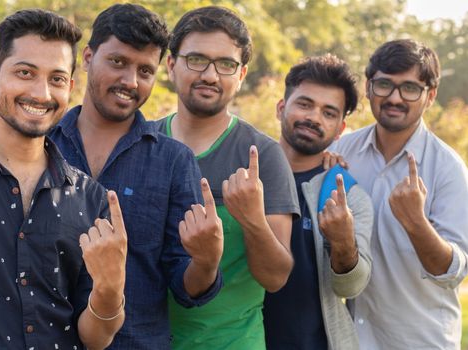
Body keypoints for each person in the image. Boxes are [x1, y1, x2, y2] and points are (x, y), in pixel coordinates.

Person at [0, 9, 127, 349]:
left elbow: (97, 339)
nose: (41, 93)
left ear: (70, 87)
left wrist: (110, 287)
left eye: (56, 79)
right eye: (25, 73)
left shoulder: (91, 199)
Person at [48, 4, 223, 349]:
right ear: (87, 57)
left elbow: (186, 287)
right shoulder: (42, 145)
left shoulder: (173, 161)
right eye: (118, 62)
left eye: (145, 70)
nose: (130, 81)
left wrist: (206, 260)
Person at [156, 6, 300, 349]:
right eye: (196, 59)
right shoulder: (143, 144)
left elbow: (276, 277)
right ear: (171, 65)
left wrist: (252, 220)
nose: (210, 74)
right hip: (148, 340)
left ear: (242, 73)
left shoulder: (262, 156)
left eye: (225, 64)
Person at [330, 39, 468, 349]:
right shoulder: (340, 154)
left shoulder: (447, 169)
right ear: (368, 87)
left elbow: (451, 274)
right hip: (352, 340)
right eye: (384, 85)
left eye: (409, 88)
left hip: (419, 342)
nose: (394, 98)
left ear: (430, 96)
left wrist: (416, 223)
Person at [262, 54, 373, 350]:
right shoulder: (246, 176)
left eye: (328, 112)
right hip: (237, 340)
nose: (314, 118)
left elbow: (351, 286)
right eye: (305, 104)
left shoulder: (348, 196)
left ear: (340, 129)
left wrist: (343, 241)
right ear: (282, 108)